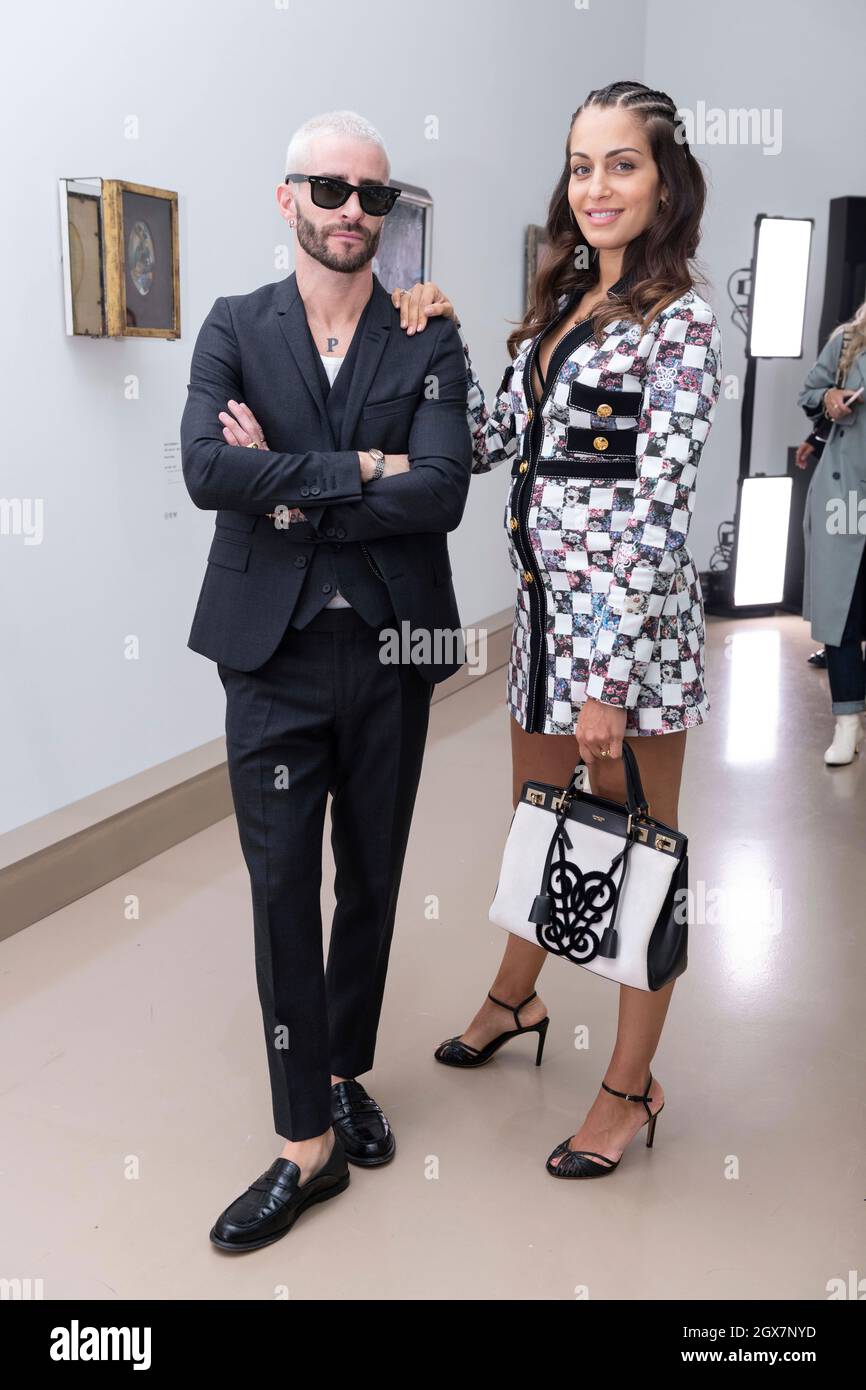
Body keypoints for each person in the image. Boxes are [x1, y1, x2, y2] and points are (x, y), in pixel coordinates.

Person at [393, 80, 722, 1180]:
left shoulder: (681, 317)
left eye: (620, 164)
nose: (595, 187)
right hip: (541, 627)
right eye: (581, 165)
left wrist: (607, 686)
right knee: (538, 823)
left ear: (664, 179)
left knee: (644, 861)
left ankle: (628, 1088)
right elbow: (494, 436)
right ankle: (515, 992)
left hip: (623, 648)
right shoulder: (560, 300)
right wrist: (440, 335)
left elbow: (658, 514)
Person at [179, 110, 471, 1250]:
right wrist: (363, 466)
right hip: (271, 651)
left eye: (374, 196)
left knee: (374, 875)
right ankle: (304, 1141)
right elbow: (210, 469)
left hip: (395, 646)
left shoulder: (426, 335)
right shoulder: (234, 326)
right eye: (331, 189)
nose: (354, 210)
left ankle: (345, 1070)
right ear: (287, 197)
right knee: (279, 887)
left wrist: (288, 482)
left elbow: (442, 487)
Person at [796, 301, 866, 764]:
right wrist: (831, 399)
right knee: (843, 614)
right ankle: (847, 724)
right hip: (847, 493)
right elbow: (811, 392)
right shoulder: (847, 339)